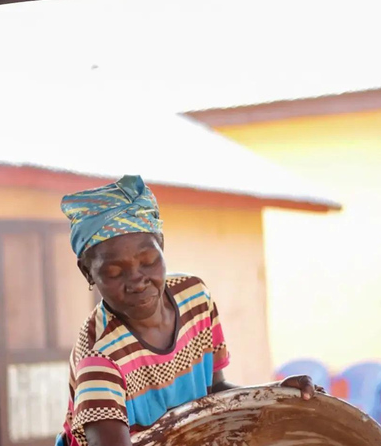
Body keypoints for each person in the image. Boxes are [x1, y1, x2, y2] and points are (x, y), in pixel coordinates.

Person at [55, 175, 319, 446]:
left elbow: (215, 393)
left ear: (161, 246)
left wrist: (276, 396)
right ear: (88, 272)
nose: (137, 282)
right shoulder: (99, 360)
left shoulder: (194, 297)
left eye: (148, 261)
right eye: (114, 272)